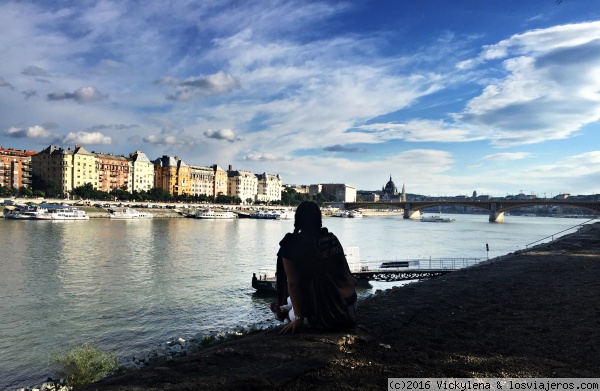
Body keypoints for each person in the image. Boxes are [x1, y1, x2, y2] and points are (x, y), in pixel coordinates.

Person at [274, 201, 357, 335]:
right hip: (350, 305)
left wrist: (298, 319)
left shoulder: (290, 244)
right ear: (319, 219)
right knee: (294, 301)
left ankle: (284, 310)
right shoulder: (331, 239)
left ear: (297, 219)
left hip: (327, 313)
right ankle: (286, 307)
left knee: (291, 313)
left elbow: (293, 284)